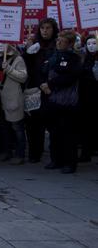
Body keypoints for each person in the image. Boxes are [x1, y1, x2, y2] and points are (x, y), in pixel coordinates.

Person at [42, 30, 82, 174]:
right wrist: (43, 83)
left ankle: (69, 163)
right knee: (54, 132)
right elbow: (44, 71)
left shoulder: (74, 58)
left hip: (67, 101)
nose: (58, 42)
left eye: (62, 40)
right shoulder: (53, 55)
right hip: (52, 100)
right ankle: (56, 159)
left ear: (70, 43)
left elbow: (70, 76)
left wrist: (50, 84)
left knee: (68, 133)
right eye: (58, 39)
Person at [23, 18, 58, 163]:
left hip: (51, 89)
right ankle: (34, 153)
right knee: (33, 124)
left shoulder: (57, 44)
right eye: (42, 28)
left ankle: (55, 155)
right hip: (34, 88)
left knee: (52, 124)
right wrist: (28, 51)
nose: (45, 31)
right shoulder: (35, 44)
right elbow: (26, 66)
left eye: (48, 28)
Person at [0, 44, 28, 164]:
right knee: (4, 128)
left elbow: (22, 77)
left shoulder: (18, 59)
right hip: (0, 98)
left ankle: (20, 154)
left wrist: (8, 68)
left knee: (17, 128)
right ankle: (6, 151)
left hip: (13, 98)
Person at [78, 35, 97, 162]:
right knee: (86, 124)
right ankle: (86, 152)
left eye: (94, 43)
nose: (91, 46)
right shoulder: (83, 58)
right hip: (85, 96)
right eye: (89, 43)